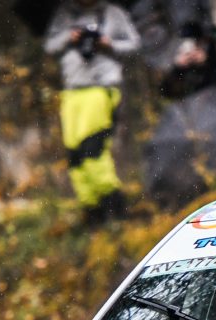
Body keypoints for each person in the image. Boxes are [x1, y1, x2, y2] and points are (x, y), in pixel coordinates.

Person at [44, 0, 141, 223]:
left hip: (100, 88)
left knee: (93, 149)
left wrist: (108, 44)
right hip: (72, 91)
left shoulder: (113, 12)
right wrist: (69, 37)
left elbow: (134, 45)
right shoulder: (65, 13)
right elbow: (50, 46)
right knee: (75, 155)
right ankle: (91, 209)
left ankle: (114, 206)